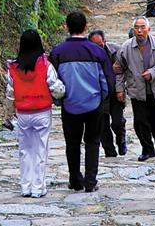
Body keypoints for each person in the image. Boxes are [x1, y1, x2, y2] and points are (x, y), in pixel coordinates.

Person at [50, 11, 115, 193]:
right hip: (94, 104)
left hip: (69, 105)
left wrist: (58, 101)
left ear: (67, 27)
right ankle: (90, 181)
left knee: (72, 143)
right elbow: (107, 80)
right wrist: (103, 99)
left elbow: (52, 82)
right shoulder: (97, 51)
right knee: (93, 142)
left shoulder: (58, 52)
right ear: (86, 27)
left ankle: (75, 180)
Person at [6, 29, 65, 198]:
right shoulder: (45, 65)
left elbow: (9, 93)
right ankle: (38, 187)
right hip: (42, 112)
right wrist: (63, 92)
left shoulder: (13, 67)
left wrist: (8, 114)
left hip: (23, 113)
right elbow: (56, 88)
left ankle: (26, 186)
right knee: (40, 149)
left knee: (25, 150)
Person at [115, 16, 155, 161]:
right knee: (140, 123)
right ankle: (147, 149)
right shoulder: (126, 47)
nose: (140, 31)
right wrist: (119, 89)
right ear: (133, 30)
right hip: (137, 91)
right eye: (137, 28)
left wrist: (153, 72)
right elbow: (119, 69)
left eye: (143, 28)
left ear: (148, 29)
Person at [88, 29, 127, 157]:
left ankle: (121, 140)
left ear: (104, 41)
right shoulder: (86, 56)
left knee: (117, 122)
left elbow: (124, 70)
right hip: (98, 95)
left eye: (100, 45)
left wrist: (121, 89)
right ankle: (110, 152)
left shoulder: (116, 51)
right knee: (102, 126)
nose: (98, 48)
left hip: (115, 92)